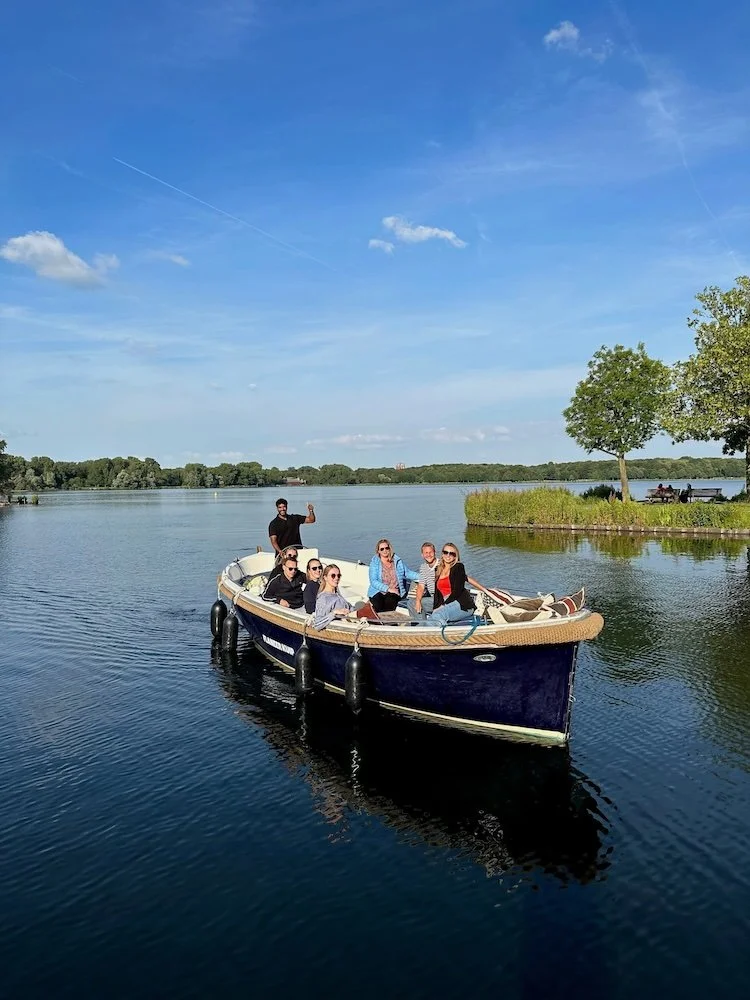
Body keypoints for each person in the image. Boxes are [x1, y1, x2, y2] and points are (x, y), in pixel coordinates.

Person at [423, 542, 477, 628]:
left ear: (455, 556)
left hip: (460, 603)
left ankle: (445, 636)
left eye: (451, 553)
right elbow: (437, 593)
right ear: (442, 554)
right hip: (445, 601)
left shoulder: (459, 567)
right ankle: (420, 627)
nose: (448, 555)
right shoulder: (438, 569)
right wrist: (435, 607)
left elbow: (457, 591)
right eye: (446, 552)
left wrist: (442, 606)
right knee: (418, 604)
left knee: (437, 616)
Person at [367, 538, 419, 614]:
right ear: (378, 551)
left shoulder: (397, 561)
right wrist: (388, 589)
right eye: (382, 549)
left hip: (394, 591)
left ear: (389, 549)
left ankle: (387, 623)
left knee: (390, 602)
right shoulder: (375, 562)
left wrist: (424, 576)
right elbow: (373, 581)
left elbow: (407, 573)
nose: (384, 550)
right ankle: (380, 622)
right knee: (377, 604)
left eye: (386, 548)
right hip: (378, 591)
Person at [313, 564, 353, 629]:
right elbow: (317, 624)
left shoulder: (337, 594)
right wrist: (334, 613)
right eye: (333, 576)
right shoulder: (323, 599)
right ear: (325, 577)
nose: (337, 578)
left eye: (338, 575)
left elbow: (349, 607)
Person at [409, 541, 439, 619]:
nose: (428, 555)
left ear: (435, 552)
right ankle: (422, 624)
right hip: (432, 598)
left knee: (413, 604)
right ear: (422, 555)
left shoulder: (441, 565)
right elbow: (421, 586)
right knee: (412, 602)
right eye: (426, 553)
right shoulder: (423, 567)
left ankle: (422, 626)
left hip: (441, 599)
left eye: (430, 552)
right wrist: (418, 600)